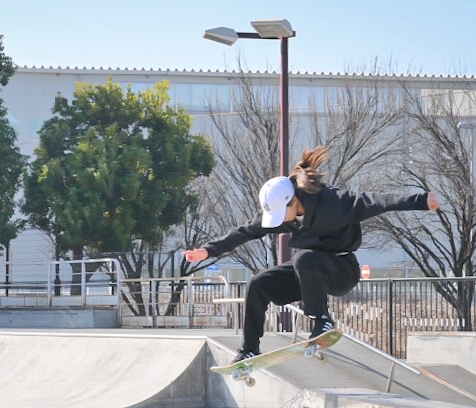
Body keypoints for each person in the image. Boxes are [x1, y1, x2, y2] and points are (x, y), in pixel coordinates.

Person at [184, 146, 440, 364]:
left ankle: (322, 320)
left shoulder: (334, 203)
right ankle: (249, 349)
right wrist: (208, 250)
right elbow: (246, 231)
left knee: (304, 258)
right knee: (258, 283)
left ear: (294, 200)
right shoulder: (282, 213)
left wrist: (420, 200)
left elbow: (375, 201)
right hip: (309, 275)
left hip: (341, 270)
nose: (279, 222)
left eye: (281, 214)